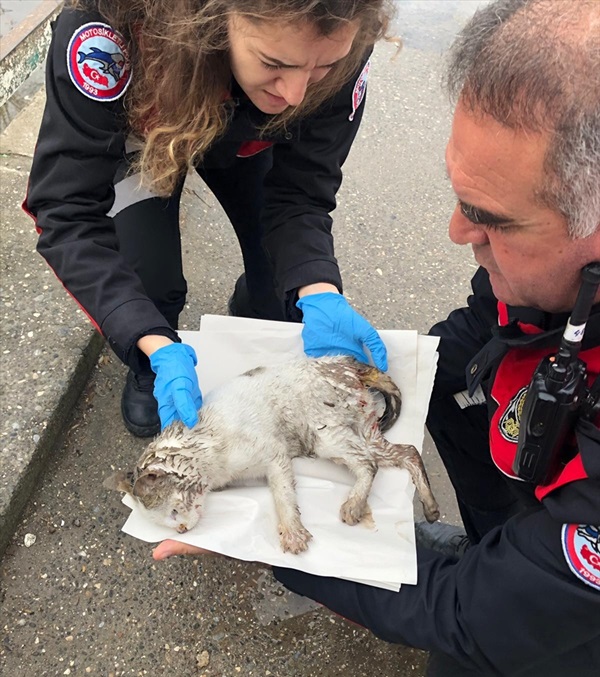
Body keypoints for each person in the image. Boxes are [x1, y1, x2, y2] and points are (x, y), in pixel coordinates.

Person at [153, 1, 600, 675]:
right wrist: (373, 380)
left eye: (491, 218)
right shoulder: (554, 274)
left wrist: (278, 545)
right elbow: (485, 333)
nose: (457, 231)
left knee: (477, 652)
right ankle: (501, 545)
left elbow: (464, 614)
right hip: (536, 487)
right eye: (459, 194)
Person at [24, 0, 392, 438]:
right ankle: (155, 357)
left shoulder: (342, 37)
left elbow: (302, 189)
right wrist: (146, 334)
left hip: (250, 138)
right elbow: (68, 210)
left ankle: (258, 302)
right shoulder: (108, 33)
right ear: (218, 19)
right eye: (275, 62)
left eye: (322, 67)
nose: (296, 94)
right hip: (147, 134)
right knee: (150, 286)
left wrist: (318, 287)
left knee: (284, 291)